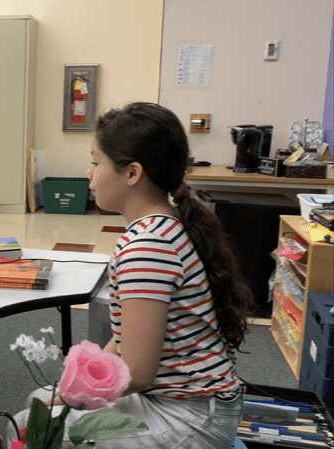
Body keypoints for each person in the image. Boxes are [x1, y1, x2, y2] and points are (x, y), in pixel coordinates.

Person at [15, 102, 255, 448]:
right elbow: (128, 335)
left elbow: (138, 373)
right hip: (178, 399)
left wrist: (75, 397)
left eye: (96, 162)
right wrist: (78, 385)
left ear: (132, 173)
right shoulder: (162, 226)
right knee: (39, 402)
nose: (88, 174)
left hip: (189, 416)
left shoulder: (148, 247)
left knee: (28, 427)